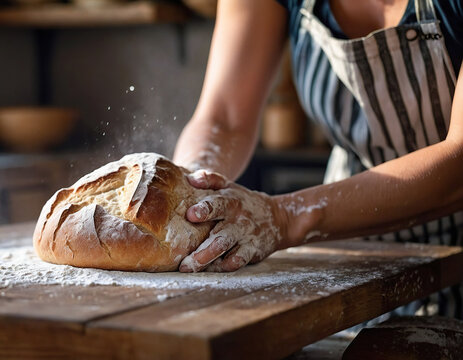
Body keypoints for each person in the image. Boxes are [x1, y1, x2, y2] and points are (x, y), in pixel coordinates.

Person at [172, 0, 463, 318]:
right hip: (348, 240)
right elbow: (223, 119)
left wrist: (285, 218)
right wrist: (192, 191)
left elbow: (458, 163)